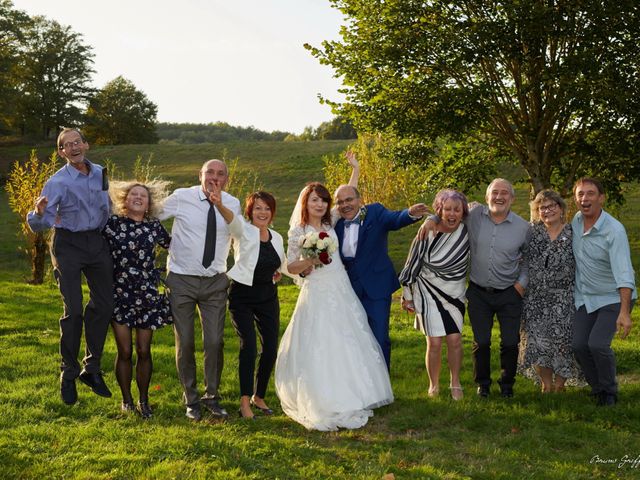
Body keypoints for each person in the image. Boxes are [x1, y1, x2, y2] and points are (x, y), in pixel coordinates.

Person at [275, 182, 393, 431]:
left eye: (324, 200)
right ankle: (323, 396)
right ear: (305, 203)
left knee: (349, 337)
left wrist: (356, 167)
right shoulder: (298, 231)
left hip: (340, 286)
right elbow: (291, 267)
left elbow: (350, 192)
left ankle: (358, 391)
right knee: (320, 340)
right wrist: (312, 259)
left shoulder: (332, 223)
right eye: (314, 200)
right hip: (317, 289)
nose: (320, 205)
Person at [420, 178, 529, 398]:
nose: (499, 197)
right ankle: (483, 384)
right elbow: (449, 209)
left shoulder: (524, 227)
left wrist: (521, 284)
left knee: (510, 342)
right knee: (482, 341)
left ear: (512, 198)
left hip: (510, 292)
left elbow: (528, 258)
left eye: (504, 193)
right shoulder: (474, 215)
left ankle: (507, 385)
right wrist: (431, 219)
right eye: (495, 193)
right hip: (479, 292)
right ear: (487, 197)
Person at [28, 128, 113, 405]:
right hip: (68, 245)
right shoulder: (58, 182)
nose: (74, 147)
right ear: (61, 152)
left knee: (105, 304)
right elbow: (42, 224)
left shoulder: (101, 172)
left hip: (96, 243)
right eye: (67, 145)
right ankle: (68, 371)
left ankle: (92, 368)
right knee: (74, 310)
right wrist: (38, 214)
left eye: (78, 142)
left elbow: (106, 208)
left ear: (86, 145)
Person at [159, 159, 242, 421]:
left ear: (226, 179)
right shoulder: (182, 197)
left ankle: (212, 397)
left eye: (220, 174)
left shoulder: (233, 203)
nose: (214, 178)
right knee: (184, 341)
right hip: (181, 279)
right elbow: (150, 214)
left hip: (215, 281)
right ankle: (191, 400)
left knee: (215, 341)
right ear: (200, 175)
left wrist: (220, 204)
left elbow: (240, 233)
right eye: (210, 172)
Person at [334, 155, 429, 369]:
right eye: (340, 202)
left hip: (376, 287)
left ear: (359, 200)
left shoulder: (375, 212)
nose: (345, 205)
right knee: (353, 337)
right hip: (348, 289)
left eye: (349, 200)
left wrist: (410, 214)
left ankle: (382, 383)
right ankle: (359, 381)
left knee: (379, 336)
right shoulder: (335, 224)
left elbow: (394, 219)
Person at [102, 181, 173, 418]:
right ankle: (126, 400)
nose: (139, 198)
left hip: (146, 292)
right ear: (125, 199)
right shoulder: (112, 224)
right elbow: (91, 246)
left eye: (143, 195)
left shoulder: (153, 226)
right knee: (124, 350)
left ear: (149, 202)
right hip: (119, 291)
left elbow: (177, 246)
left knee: (144, 350)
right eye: (134, 194)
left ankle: (144, 401)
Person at [213, 190, 285, 420]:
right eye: (258, 208)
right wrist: (219, 203)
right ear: (250, 211)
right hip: (242, 295)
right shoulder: (243, 229)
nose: (262, 212)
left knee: (271, 348)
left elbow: (280, 264)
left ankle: (259, 396)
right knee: (249, 347)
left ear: (272, 212)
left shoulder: (277, 236)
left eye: (267, 208)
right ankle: (245, 402)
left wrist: (280, 272)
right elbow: (232, 221)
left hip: (268, 296)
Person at [571, 178, 636, 406]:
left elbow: (624, 272)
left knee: (597, 344)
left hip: (612, 297)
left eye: (590, 194)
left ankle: (609, 391)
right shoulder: (576, 221)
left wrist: (625, 312)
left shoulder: (614, 231)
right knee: (578, 345)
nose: (584, 199)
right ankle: (597, 387)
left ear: (601, 198)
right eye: (580, 194)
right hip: (585, 297)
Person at [399, 189, 470, 400]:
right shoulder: (427, 231)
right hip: (427, 291)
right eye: (447, 209)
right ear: (439, 210)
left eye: (457, 209)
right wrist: (407, 295)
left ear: (463, 211)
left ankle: (455, 383)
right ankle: (434, 385)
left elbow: (483, 209)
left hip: (454, 293)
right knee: (435, 342)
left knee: (455, 339)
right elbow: (411, 265)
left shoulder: (467, 231)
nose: (452, 213)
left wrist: (431, 218)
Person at [518, 190, 583, 393]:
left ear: (561, 208)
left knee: (564, 341)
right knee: (538, 343)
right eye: (542, 207)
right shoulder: (531, 231)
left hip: (564, 296)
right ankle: (546, 384)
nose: (547, 211)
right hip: (535, 297)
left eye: (551, 206)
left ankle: (560, 385)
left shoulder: (573, 232)